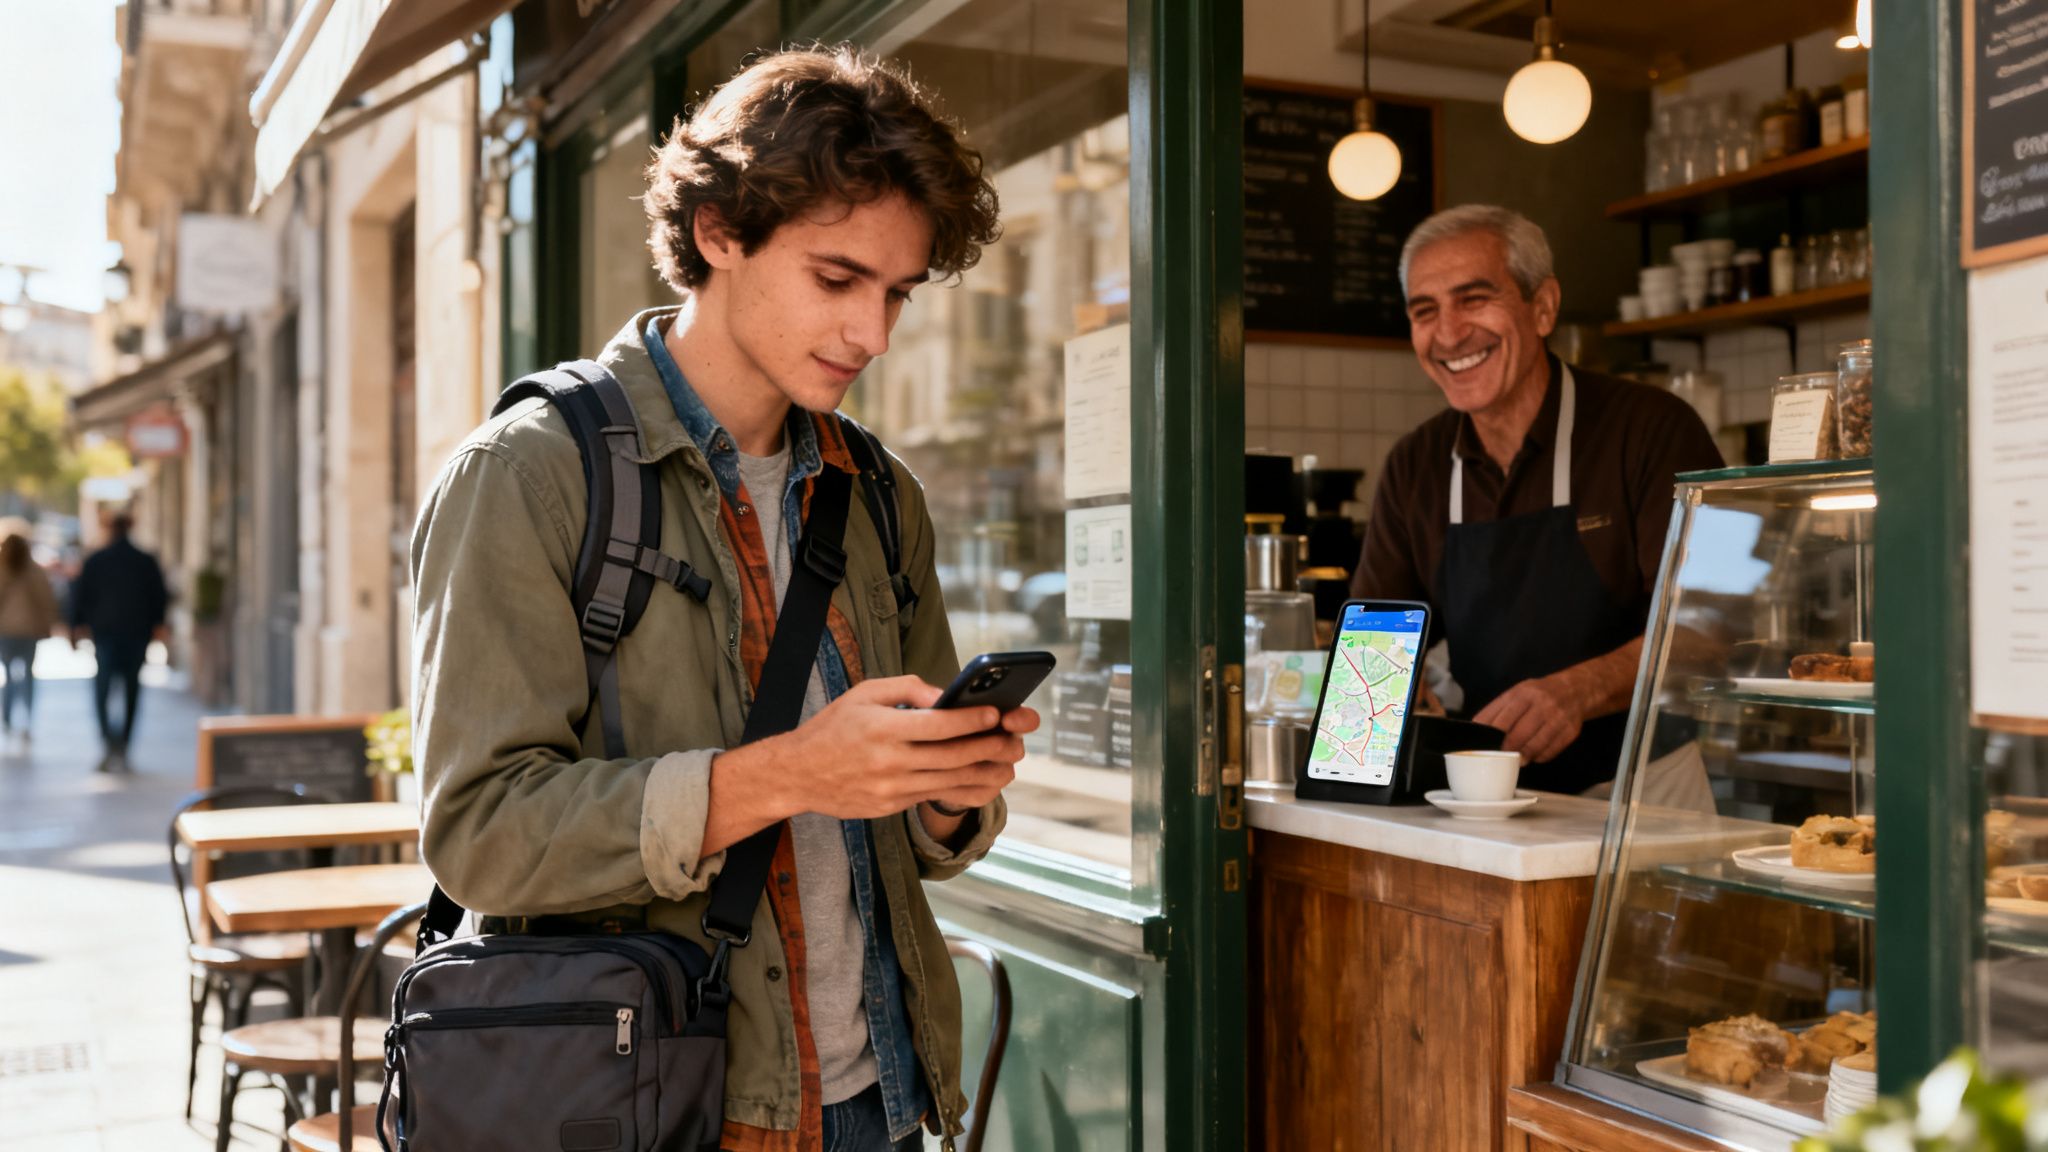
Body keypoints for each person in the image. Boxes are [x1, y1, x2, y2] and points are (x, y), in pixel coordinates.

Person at [410, 46, 1028, 1152]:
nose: (871, 335)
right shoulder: (532, 474)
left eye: (896, 293)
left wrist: (947, 791)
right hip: (653, 1105)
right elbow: (480, 834)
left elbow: (923, 841)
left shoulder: (881, 494)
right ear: (718, 233)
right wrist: (788, 773)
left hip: (875, 1100)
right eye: (837, 280)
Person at [1351, 205, 1723, 795]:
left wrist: (1579, 690)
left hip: (1643, 791)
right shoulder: (1414, 465)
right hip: (1485, 796)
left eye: (1474, 299)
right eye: (1426, 311)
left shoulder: (1654, 428)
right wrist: (1382, 716)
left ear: (1543, 307)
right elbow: (1373, 647)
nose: (1448, 334)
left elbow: (1719, 619)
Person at [69, 513, 169, 772]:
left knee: (103, 689)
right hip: (135, 634)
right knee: (131, 690)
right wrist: (158, 626)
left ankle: (108, 741)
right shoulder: (144, 560)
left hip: (106, 633)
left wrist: (75, 627)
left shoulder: (96, 560)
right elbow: (159, 598)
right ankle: (122, 744)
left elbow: (79, 596)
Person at [0, 524, 59, 754]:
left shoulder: (4, 570)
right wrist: (49, 624)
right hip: (28, 631)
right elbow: (46, 600)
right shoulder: (33, 570)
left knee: (9, 675)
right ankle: (26, 720)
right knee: (27, 676)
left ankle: (7, 717)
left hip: (5, 631)